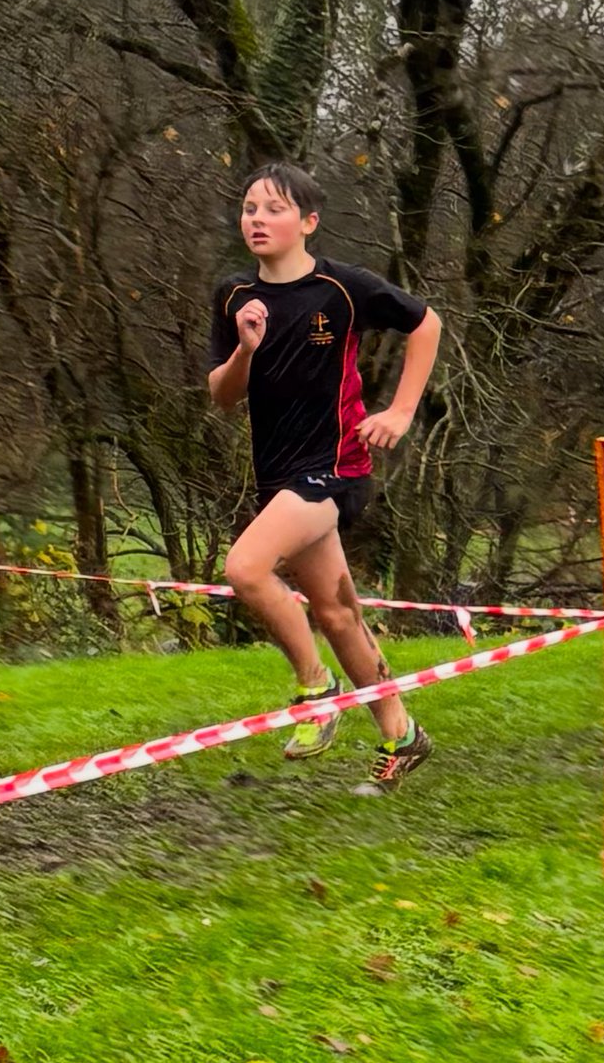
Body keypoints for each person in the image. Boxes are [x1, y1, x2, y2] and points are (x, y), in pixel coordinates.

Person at [208, 162, 441, 793]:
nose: (257, 218)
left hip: (336, 467)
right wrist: (246, 349)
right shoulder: (233, 297)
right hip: (277, 473)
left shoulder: (343, 288)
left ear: (308, 223)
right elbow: (222, 395)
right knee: (338, 614)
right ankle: (402, 735)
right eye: (249, 208)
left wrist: (400, 410)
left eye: (273, 209)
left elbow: (426, 324)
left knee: (245, 569)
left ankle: (317, 690)